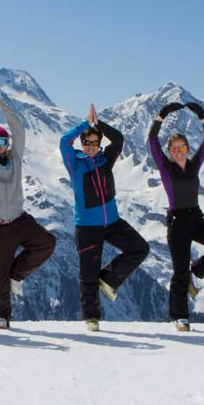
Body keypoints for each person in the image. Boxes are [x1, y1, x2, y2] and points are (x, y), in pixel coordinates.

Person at [0, 90, 56, 330]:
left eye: (2, 142)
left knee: (46, 242)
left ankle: (16, 275)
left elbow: (18, 128)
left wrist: (3, 106)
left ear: (7, 144)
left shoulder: (15, 158)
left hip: (18, 221)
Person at [60, 103, 149, 331]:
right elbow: (64, 142)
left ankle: (109, 279)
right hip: (87, 227)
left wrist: (98, 124)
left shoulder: (105, 160)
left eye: (94, 143)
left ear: (99, 145)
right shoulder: (75, 164)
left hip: (112, 223)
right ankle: (91, 317)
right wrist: (84, 125)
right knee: (87, 275)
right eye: (87, 143)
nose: (90, 146)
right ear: (82, 144)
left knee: (140, 248)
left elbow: (118, 139)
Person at [149, 101, 204, 332]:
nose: (178, 152)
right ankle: (181, 318)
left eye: (182, 148)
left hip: (196, 219)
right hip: (177, 224)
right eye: (174, 149)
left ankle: (194, 272)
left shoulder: (194, 165)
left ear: (187, 148)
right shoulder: (166, 168)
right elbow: (152, 141)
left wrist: (203, 117)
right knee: (178, 272)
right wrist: (161, 116)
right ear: (169, 152)